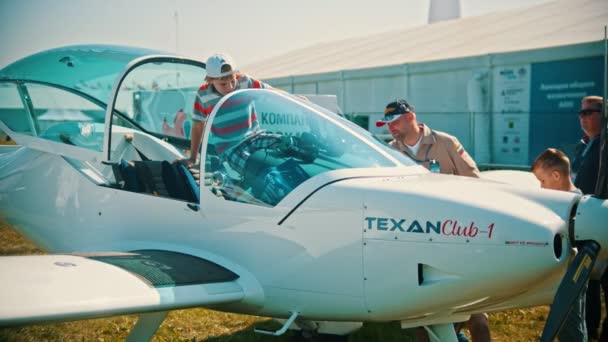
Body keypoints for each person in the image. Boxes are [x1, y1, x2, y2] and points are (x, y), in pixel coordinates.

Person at [376, 100, 487, 342]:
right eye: (386, 124)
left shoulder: (445, 142)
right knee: (422, 313)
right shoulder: (389, 152)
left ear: (410, 117)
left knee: (475, 312)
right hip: (414, 239)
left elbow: (475, 182)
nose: (390, 127)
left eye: (394, 121)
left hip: (452, 236)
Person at [532, 148, 587, 342]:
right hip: (564, 275)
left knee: (570, 325)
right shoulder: (569, 201)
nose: (541, 187)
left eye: (543, 181)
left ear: (556, 175)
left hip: (571, 275)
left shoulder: (574, 206)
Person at [184, 53, 272, 167]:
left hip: (255, 137)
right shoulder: (203, 95)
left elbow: (270, 92)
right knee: (253, 166)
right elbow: (197, 126)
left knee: (286, 144)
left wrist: (294, 98)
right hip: (229, 148)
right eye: (223, 84)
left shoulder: (245, 81)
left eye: (232, 80)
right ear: (210, 80)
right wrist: (192, 158)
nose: (230, 87)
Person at [572, 96, 604, 341]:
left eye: (588, 112)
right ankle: (590, 329)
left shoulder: (604, 144)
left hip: (600, 218)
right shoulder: (582, 145)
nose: (583, 117)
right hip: (582, 218)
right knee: (588, 280)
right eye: (581, 113)